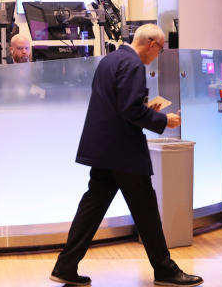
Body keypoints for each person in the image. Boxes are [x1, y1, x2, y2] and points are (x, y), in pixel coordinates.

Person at [51, 24, 202, 287]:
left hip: (104, 148)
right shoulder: (133, 65)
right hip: (123, 151)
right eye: (161, 49)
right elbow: (130, 109)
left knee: (92, 208)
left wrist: (146, 109)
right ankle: (165, 270)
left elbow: (117, 103)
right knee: (146, 210)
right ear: (152, 44)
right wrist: (162, 118)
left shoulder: (111, 60)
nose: (159, 55)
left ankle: (65, 265)